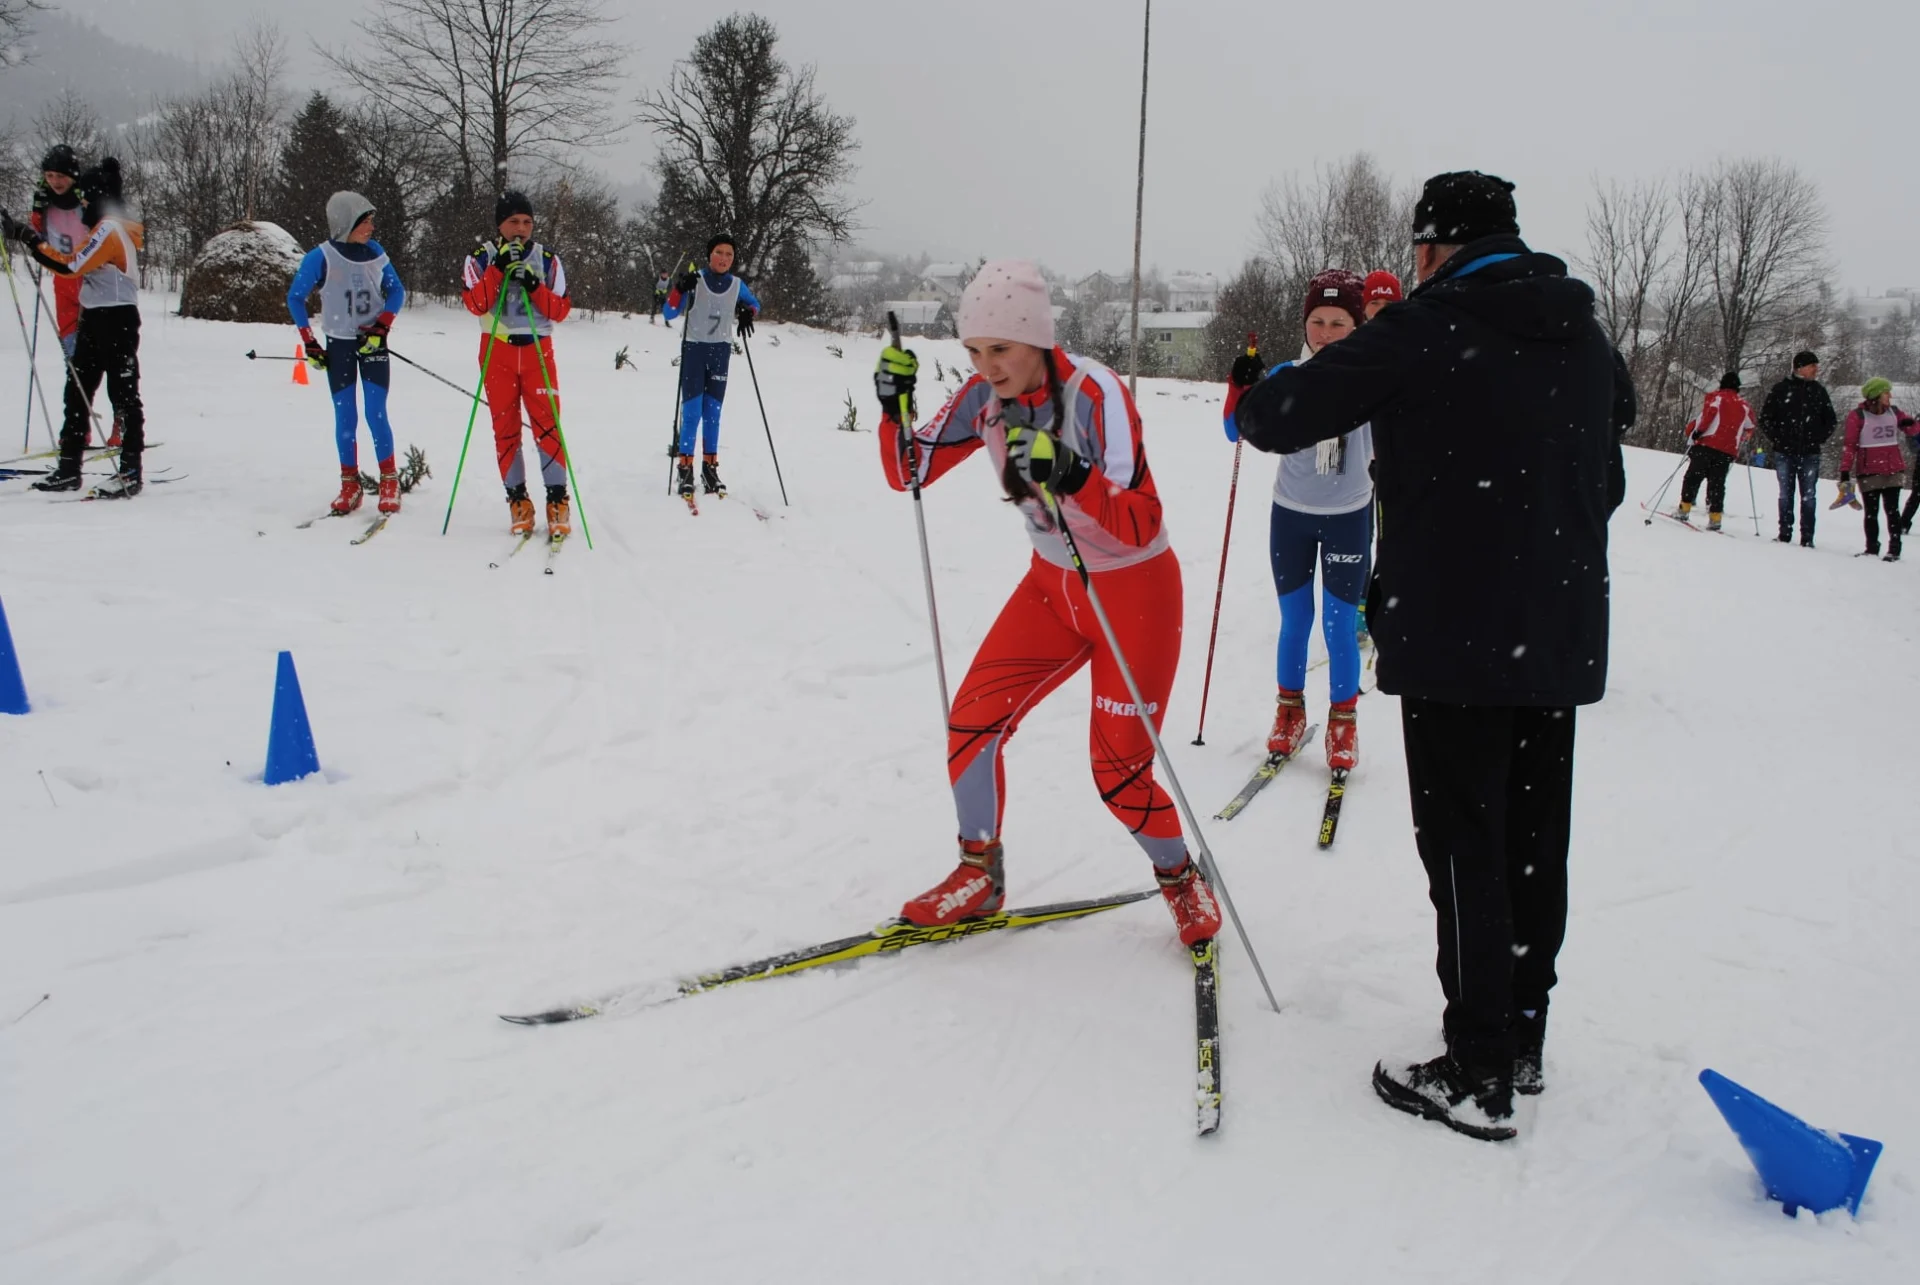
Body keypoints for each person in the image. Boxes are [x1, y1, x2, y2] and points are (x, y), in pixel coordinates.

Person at [1234, 171, 1633, 1141]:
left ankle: (1478, 1064)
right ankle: (1521, 1036)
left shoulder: (1424, 326)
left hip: (1458, 631)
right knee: (1534, 842)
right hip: (1558, 627)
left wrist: (1252, 392)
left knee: (1463, 844)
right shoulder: (1581, 333)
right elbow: (1610, 462)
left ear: (1432, 248)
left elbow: (1280, 417)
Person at [870, 259, 1221, 948]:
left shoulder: (1097, 395)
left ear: (1036, 339)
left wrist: (1069, 474)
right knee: (971, 722)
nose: (987, 365)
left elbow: (1140, 519)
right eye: (973, 350)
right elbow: (907, 472)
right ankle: (980, 871)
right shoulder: (982, 399)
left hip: (1134, 591)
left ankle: (1180, 875)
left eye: (1000, 348)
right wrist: (893, 410)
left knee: (1119, 773)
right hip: (1052, 587)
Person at [1222, 269, 1373, 772]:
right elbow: (1233, 430)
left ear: (1357, 327)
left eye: (1338, 322)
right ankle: (1288, 713)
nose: (1326, 332)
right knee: (1295, 622)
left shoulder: (1375, 377)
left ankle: (1343, 724)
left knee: (1336, 628)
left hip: (1349, 517)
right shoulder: (1287, 375)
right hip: (1290, 515)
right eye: (1317, 321)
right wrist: (1240, 388)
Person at [2, 158, 148, 498]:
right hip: (94, 315)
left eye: (86, 200)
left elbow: (71, 265)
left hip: (116, 318)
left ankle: (130, 471)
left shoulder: (111, 229)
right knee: (77, 388)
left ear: (98, 197)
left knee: (123, 395)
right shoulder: (103, 226)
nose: (82, 204)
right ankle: (69, 467)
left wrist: (27, 237)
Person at [460, 190, 574, 539]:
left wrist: (534, 285)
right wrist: (497, 270)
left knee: (547, 426)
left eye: (526, 222)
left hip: (538, 350)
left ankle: (558, 500)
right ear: (500, 225)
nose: (521, 229)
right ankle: (518, 501)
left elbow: (560, 310)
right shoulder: (480, 257)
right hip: (498, 350)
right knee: (505, 429)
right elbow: (475, 304)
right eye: (513, 222)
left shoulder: (548, 259)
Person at [286, 192, 407, 517]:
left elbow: (397, 291)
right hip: (338, 343)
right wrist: (309, 341)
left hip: (373, 344)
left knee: (376, 412)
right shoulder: (320, 257)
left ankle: (389, 481)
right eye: (364, 221)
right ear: (345, 223)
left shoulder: (375, 252)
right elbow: (295, 298)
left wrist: (382, 326)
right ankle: (350, 483)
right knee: (346, 417)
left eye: (370, 220)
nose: (371, 226)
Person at [663, 232, 761, 499]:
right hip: (695, 350)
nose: (724, 258)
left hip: (720, 351)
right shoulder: (697, 280)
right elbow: (669, 312)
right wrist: (680, 288)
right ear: (709, 254)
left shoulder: (736, 284)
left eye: (729, 254)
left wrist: (746, 313)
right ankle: (685, 468)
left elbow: (754, 305)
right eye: (719, 252)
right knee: (692, 411)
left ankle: (710, 467)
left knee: (713, 412)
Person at [1758, 350, 1836, 547]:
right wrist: (1778, 438)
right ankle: (1785, 532)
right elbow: (1765, 418)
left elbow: (1831, 420)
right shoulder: (1781, 389)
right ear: (1800, 367)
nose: (1816, 370)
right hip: (1784, 452)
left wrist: (1817, 438)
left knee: (1809, 496)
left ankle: (1807, 537)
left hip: (1810, 453)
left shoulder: (1818, 391)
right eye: (1812, 366)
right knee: (1786, 493)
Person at [1837, 378, 1917, 561]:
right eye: (1886, 392)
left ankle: (1894, 550)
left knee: (1892, 511)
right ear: (1876, 395)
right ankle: (1872, 548)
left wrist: (1910, 425)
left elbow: (1914, 430)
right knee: (1871, 512)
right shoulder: (1857, 415)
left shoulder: (1894, 412)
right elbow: (1850, 445)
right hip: (1869, 471)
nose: (1890, 395)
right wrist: (1845, 470)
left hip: (1893, 469)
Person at [1673, 372, 1755, 531]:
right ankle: (1715, 517)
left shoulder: (1716, 397)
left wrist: (1697, 432)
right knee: (1717, 483)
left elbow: (1708, 416)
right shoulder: (1744, 405)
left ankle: (1684, 509)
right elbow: (1750, 425)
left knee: (1693, 477)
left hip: (1707, 444)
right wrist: (1741, 438)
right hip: (1728, 450)